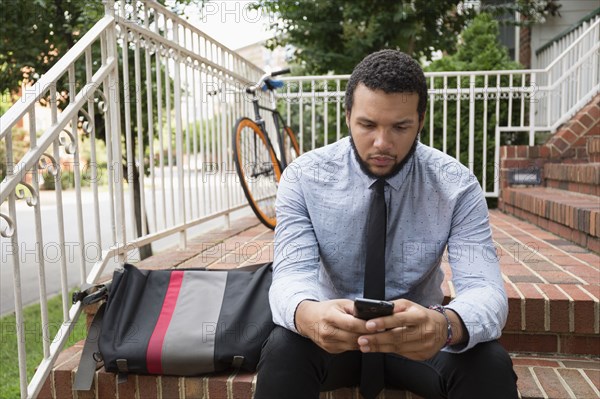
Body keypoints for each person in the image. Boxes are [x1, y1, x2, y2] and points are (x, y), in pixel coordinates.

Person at [255, 50, 518, 399]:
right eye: (367, 125)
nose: (382, 143)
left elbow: (485, 288)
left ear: (420, 121)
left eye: (400, 127)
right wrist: (308, 314)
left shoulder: (456, 184)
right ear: (347, 116)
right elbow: (291, 275)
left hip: (419, 342)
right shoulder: (304, 178)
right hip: (334, 337)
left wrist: (445, 325)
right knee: (282, 350)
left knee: (490, 364)